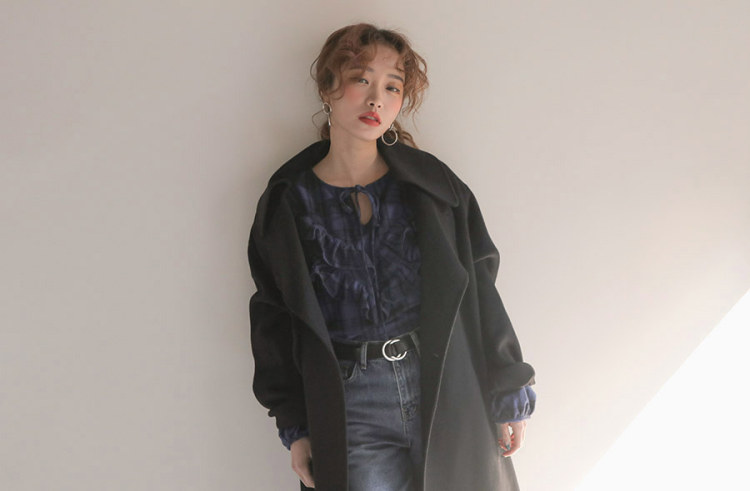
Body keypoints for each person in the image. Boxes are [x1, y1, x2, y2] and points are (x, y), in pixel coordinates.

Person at [247, 23, 536, 491]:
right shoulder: (288, 200)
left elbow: (480, 281)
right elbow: (273, 315)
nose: (375, 99)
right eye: (361, 79)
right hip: (349, 403)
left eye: (392, 87)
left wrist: (508, 382)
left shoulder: (431, 186)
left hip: (444, 382)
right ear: (327, 87)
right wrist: (295, 425)